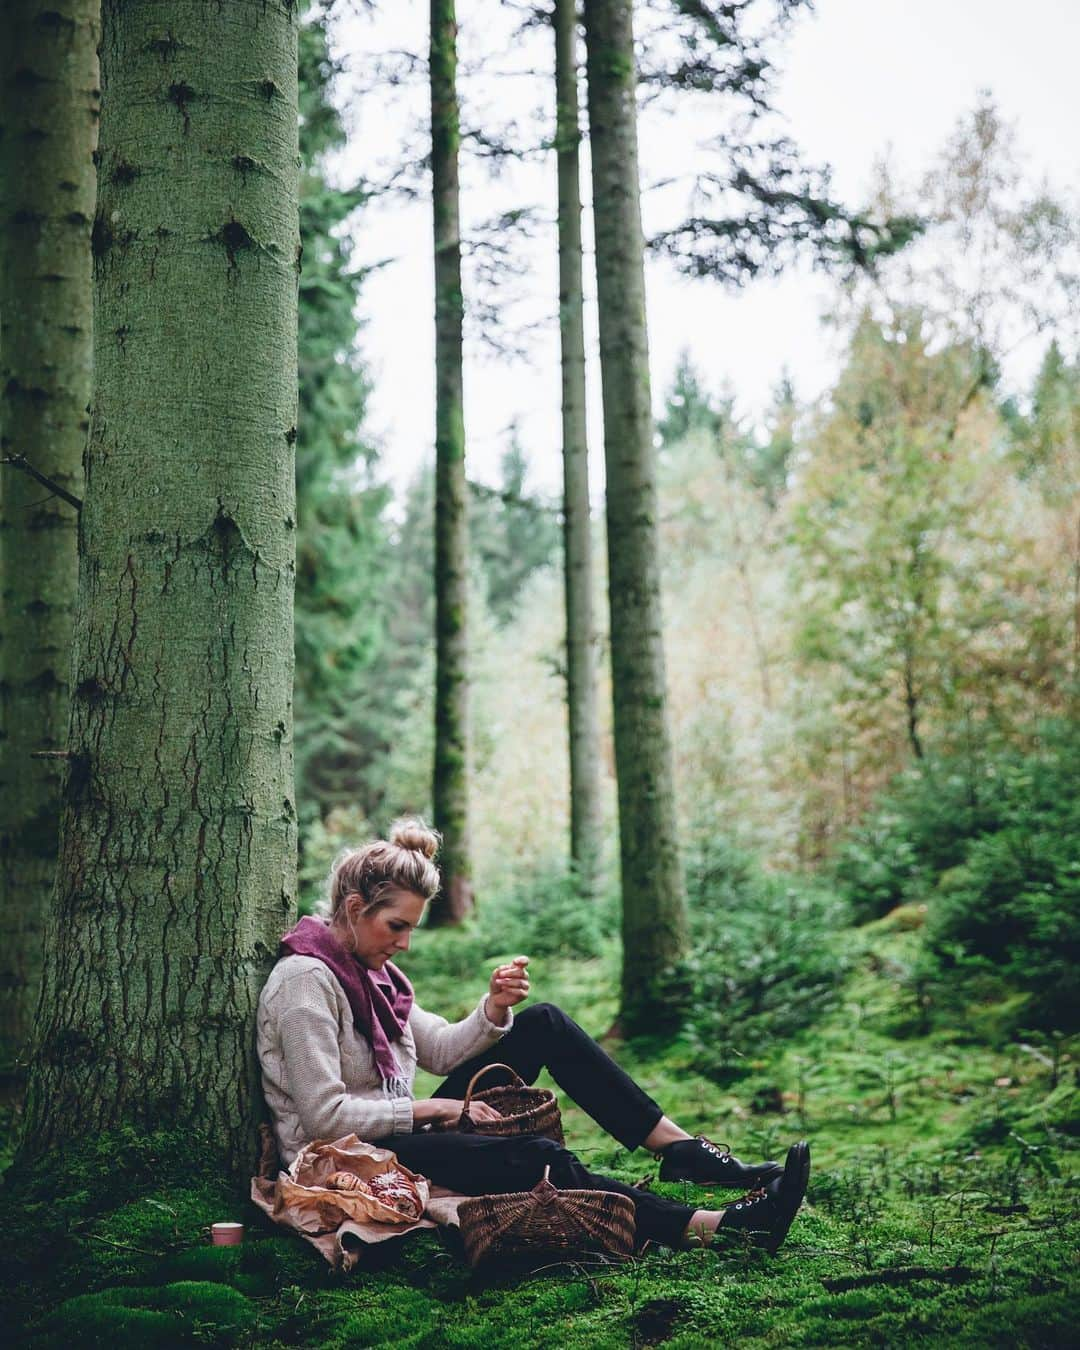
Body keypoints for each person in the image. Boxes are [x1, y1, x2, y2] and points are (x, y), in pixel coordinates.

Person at [257, 819, 810, 1253]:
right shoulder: (307, 982)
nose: (404, 944)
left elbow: (441, 1047)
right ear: (354, 909)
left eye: (410, 929)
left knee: (541, 1021)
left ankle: (681, 1148)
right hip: (353, 1157)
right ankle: (711, 1228)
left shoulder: (371, 971)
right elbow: (323, 1117)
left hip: (394, 1129)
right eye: (395, 926)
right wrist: (436, 1110)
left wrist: (493, 1007)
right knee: (538, 1157)